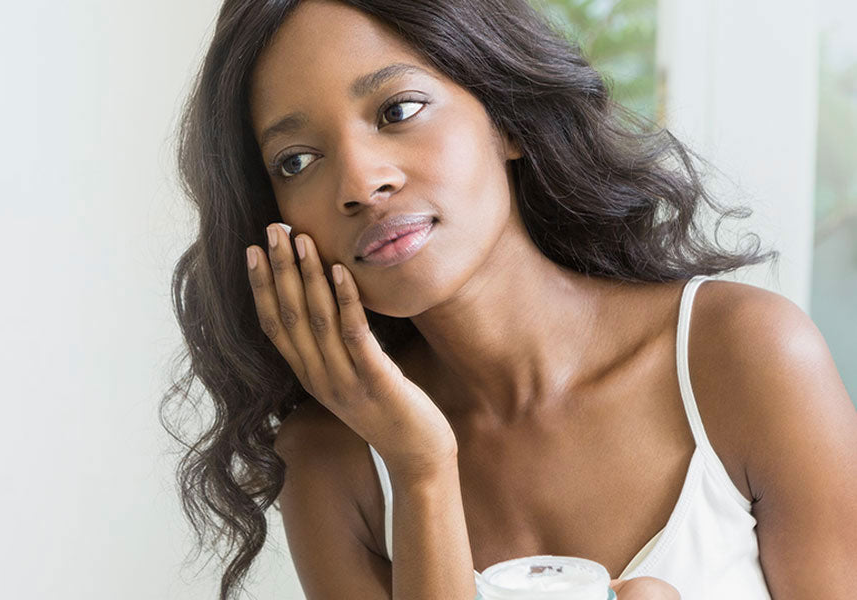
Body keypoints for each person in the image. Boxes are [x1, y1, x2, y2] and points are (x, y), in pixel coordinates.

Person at [162, 0, 857, 598]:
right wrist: (420, 465)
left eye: (398, 110)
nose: (359, 181)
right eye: (297, 160)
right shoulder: (332, 465)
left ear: (508, 119)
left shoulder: (742, 355)